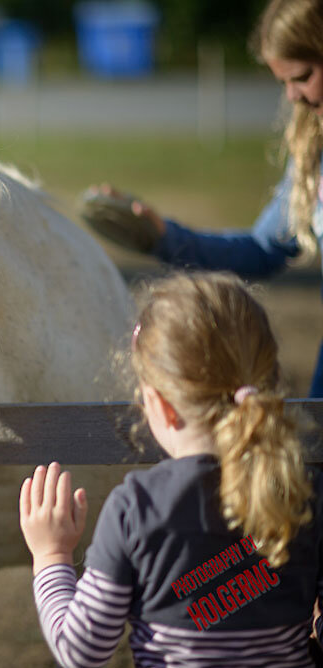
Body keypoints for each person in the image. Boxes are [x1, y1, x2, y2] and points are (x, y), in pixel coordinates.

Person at [19, 272, 323, 667]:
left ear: (160, 405)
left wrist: (51, 554)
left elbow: (83, 651)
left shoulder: (136, 508)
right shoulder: (306, 490)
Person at [82, 0, 323, 397]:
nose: (293, 97)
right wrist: (162, 237)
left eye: (302, 76)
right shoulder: (312, 157)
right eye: (282, 83)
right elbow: (262, 250)